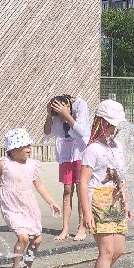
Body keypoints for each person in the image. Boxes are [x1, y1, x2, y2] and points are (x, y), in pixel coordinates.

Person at [0, 128, 60, 268]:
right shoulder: (4, 164)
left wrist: (51, 202)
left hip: (29, 205)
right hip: (11, 205)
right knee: (23, 238)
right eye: (25, 146)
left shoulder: (32, 165)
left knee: (37, 240)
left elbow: (40, 186)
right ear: (14, 149)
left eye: (30, 145)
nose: (29, 149)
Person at [78, 98, 132, 268]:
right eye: (110, 124)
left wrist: (127, 202)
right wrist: (86, 212)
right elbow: (82, 182)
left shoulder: (118, 147)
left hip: (116, 201)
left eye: (116, 124)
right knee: (106, 250)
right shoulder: (93, 149)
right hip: (99, 201)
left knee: (118, 250)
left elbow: (121, 177)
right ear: (101, 122)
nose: (114, 128)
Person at [43, 93, 91, 240]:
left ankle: (81, 228)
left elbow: (82, 131)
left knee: (80, 187)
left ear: (68, 106)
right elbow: (47, 132)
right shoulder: (56, 113)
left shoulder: (81, 105)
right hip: (65, 151)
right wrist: (50, 115)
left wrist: (66, 115)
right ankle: (64, 228)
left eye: (62, 113)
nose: (61, 117)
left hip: (80, 150)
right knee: (67, 189)